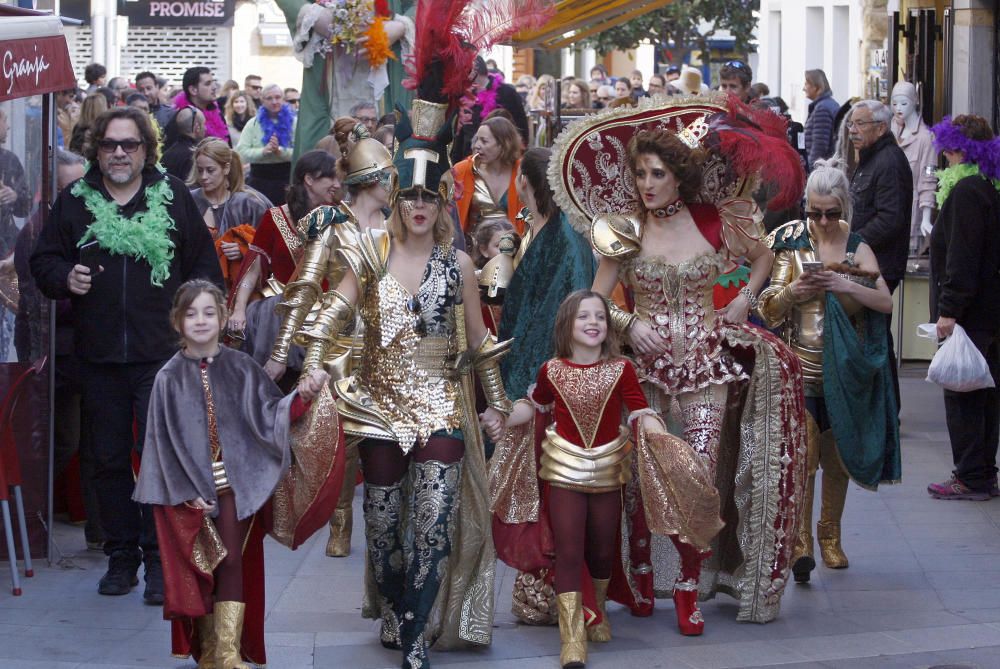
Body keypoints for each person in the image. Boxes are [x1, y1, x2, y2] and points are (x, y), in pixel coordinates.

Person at [552, 97, 807, 625]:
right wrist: (628, 324)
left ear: (677, 177)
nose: (647, 183)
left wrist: (744, 300)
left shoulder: (716, 222)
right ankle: (644, 577)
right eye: (641, 173)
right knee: (643, 478)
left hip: (706, 366)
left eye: (657, 173)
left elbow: (762, 256)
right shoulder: (624, 230)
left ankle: (691, 584)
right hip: (642, 376)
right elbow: (592, 303)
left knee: (700, 474)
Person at [30, 107, 223, 604]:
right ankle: (121, 557)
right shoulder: (75, 201)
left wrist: (199, 325)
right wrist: (63, 277)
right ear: (97, 150)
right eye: (110, 145)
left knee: (162, 460)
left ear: (146, 150)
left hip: (163, 354)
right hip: (97, 356)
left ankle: (162, 561)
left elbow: (204, 266)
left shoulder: (174, 197)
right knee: (109, 460)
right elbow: (44, 259)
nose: (119, 153)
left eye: (129, 145)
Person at [491, 290, 722, 665]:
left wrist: (656, 429)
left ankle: (596, 608)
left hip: (607, 473)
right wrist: (502, 417)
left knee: (600, 549)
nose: (593, 322)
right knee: (567, 551)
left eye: (600, 316)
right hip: (563, 472)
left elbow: (639, 408)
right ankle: (572, 638)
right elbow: (533, 406)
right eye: (584, 316)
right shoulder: (551, 369)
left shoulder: (622, 369)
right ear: (567, 324)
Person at [133, 279, 334, 668]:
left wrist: (304, 396)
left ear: (224, 317)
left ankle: (226, 652)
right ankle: (208, 651)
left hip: (235, 489)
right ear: (177, 322)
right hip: (189, 496)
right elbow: (159, 444)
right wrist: (183, 490)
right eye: (191, 314)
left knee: (231, 561)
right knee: (200, 568)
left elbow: (270, 414)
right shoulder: (167, 378)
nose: (201, 320)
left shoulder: (241, 367)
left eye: (209, 312)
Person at [759, 159, 900, 584]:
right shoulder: (788, 241)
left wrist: (845, 285)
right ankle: (800, 542)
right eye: (815, 211)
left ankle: (830, 537)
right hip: (797, 365)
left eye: (831, 212)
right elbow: (765, 305)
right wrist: (794, 290)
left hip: (844, 371)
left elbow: (886, 302)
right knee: (802, 458)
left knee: (836, 460)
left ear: (844, 208)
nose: (822, 221)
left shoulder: (857, 246)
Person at [927, 114, 1000, 501]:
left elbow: (962, 257)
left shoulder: (968, 191)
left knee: (964, 393)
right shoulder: (990, 186)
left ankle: (972, 476)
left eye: (949, 150)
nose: (945, 156)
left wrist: (949, 309)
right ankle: (983, 473)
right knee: (985, 394)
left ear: (957, 150)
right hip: (989, 311)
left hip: (971, 314)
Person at [226, 150, 341, 379]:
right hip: (278, 318)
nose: (337, 184)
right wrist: (239, 310)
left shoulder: (338, 219)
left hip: (325, 319)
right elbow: (253, 270)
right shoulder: (275, 218)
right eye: (331, 178)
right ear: (309, 179)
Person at [276, 0, 414, 165]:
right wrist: (311, 14)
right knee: (320, 167)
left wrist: (402, 25)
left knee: (391, 155)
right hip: (328, 57)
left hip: (388, 55)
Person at [848, 99, 912, 406]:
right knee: (872, 335)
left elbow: (890, 218)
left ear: (881, 127)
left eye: (860, 124)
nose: (853, 131)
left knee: (875, 337)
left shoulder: (888, 161)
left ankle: (886, 406)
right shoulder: (871, 157)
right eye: (852, 124)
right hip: (868, 262)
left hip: (880, 265)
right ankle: (882, 405)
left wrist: (854, 245)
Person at [189, 138, 273, 287]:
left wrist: (243, 249)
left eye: (210, 170)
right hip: (198, 285)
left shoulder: (249, 204)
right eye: (200, 170)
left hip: (241, 288)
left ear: (226, 168)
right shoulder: (189, 200)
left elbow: (269, 248)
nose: (203, 177)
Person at [453, 116, 525, 236]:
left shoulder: (522, 172)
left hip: (512, 249)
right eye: (477, 140)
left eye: (484, 141)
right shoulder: (461, 171)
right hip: (471, 251)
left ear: (504, 144)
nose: (477, 146)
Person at [890, 81, 937, 253]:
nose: (898, 109)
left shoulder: (926, 138)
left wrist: (926, 218)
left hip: (913, 216)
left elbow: (929, 178)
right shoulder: (890, 132)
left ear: (915, 101)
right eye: (894, 104)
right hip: (888, 213)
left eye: (904, 103)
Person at [236, 84, 296, 207]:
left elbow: (302, 152)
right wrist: (263, 151)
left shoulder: (294, 123)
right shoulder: (253, 124)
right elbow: (241, 152)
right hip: (259, 181)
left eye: (278, 97)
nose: (274, 101)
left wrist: (280, 151)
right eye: (269, 98)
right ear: (262, 100)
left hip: (286, 180)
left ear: (283, 99)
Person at [471, 55, 530, 144]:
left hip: (502, 153)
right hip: (468, 154)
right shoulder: (465, 95)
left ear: (475, 69)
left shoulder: (507, 93)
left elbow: (521, 125)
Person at [0, 108, 31, 257]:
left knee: (14, 281)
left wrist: (14, 196)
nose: (8, 126)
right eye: (4, 120)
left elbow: (26, 208)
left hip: (8, 248)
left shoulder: (9, 159)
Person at [174, 66, 230, 144]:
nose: (214, 87)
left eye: (213, 82)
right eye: (208, 84)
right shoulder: (182, 118)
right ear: (193, 90)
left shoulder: (217, 112)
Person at [803, 69, 839, 170]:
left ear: (816, 86)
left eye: (806, 84)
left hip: (821, 170)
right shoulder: (826, 104)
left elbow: (819, 147)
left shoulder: (822, 109)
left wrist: (810, 171)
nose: (803, 88)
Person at [160, 106, 205, 181]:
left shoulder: (167, 153)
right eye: (204, 124)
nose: (205, 128)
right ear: (197, 128)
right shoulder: (194, 155)